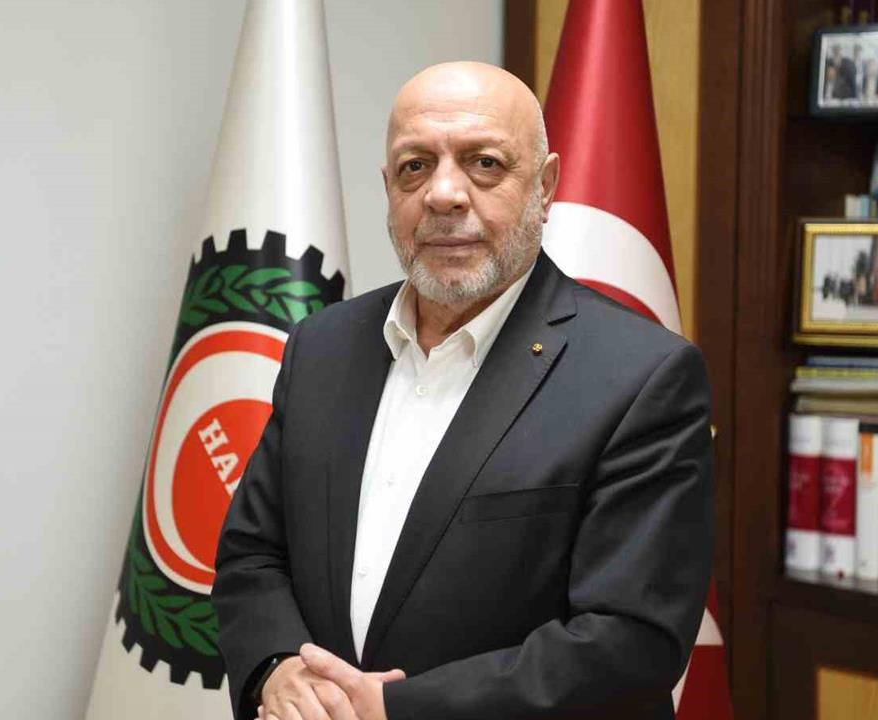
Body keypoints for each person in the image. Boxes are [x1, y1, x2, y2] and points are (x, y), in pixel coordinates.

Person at [213, 61, 714, 720]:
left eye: (484, 164)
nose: (444, 195)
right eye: (415, 167)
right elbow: (252, 553)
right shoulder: (322, 347)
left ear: (545, 188)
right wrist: (277, 668)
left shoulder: (643, 376)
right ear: (388, 188)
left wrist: (397, 709)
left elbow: (630, 642)